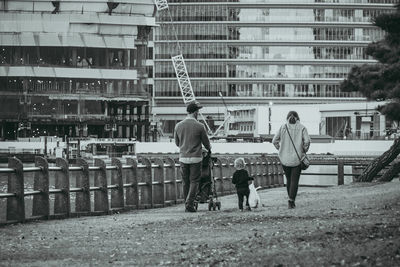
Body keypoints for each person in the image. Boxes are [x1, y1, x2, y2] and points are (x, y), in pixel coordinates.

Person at [174, 102, 211, 212]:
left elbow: (177, 143)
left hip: (183, 157)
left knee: (186, 182)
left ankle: (187, 203)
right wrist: (208, 148)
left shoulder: (178, 125)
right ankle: (189, 203)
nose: (198, 113)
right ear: (195, 112)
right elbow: (206, 143)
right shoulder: (200, 126)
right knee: (194, 181)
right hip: (196, 158)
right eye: (198, 111)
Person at [272, 111, 311, 209]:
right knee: (294, 180)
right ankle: (291, 200)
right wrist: (304, 150)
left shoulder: (283, 127)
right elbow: (307, 141)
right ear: (298, 118)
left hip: (284, 158)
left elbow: (274, 141)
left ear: (287, 117)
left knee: (288, 179)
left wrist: (280, 149)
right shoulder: (302, 128)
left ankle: (290, 198)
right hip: (297, 158)